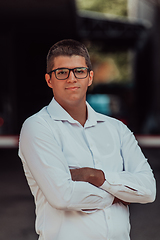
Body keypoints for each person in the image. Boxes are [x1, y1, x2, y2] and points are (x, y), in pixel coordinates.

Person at [19, 39, 156, 240]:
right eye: (62, 72)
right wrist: (120, 193)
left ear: (90, 77)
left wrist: (95, 177)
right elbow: (63, 196)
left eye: (79, 71)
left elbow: (149, 190)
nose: (72, 78)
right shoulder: (38, 127)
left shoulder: (117, 129)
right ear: (49, 80)